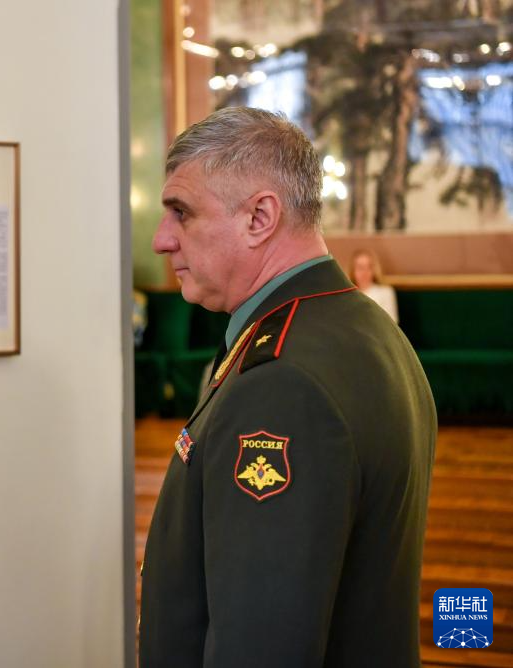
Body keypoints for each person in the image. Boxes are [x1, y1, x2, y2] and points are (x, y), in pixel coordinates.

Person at [141, 107, 436, 668]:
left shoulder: (281, 385)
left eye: (181, 212)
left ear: (260, 218)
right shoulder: (362, 329)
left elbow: (261, 644)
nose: (161, 239)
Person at [350, 248, 398, 323]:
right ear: (353, 270)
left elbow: (392, 322)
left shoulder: (385, 292)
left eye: (369, 267)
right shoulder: (348, 295)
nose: (364, 272)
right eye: (360, 267)